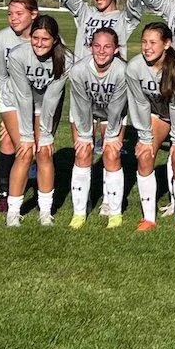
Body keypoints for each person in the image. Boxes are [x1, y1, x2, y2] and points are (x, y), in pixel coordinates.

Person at [4, 15, 73, 227]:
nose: (39, 44)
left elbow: (52, 98)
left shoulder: (66, 59)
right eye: (35, 38)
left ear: (54, 40)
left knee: (44, 152)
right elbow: (24, 96)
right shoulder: (17, 56)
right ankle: (13, 213)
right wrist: (26, 136)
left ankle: (45, 212)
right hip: (14, 100)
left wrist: (45, 135)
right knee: (24, 152)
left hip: (45, 104)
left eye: (45, 39)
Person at [126, 22, 175, 232]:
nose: (147, 47)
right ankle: (149, 218)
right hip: (159, 114)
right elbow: (140, 104)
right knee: (144, 156)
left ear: (166, 44)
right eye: (144, 42)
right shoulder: (135, 67)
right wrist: (145, 138)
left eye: (153, 42)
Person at [67, 28, 129, 229]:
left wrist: (112, 138)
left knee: (112, 154)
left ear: (116, 49)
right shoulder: (78, 71)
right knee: (83, 153)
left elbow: (117, 107)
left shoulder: (122, 71)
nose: (101, 51)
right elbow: (81, 105)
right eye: (97, 46)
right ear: (90, 47)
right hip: (84, 110)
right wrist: (85, 137)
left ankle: (114, 212)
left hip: (115, 112)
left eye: (107, 46)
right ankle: (79, 213)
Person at [0, 0, 38, 213]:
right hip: (11, 101)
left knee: (38, 148)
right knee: (10, 142)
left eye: (19, 13)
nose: (13, 18)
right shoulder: (0, 40)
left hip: (38, 103)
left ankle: (37, 180)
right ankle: (5, 195)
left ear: (33, 15)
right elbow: (1, 78)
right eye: (10, 13)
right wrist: (7, 115)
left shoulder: (45, 37)